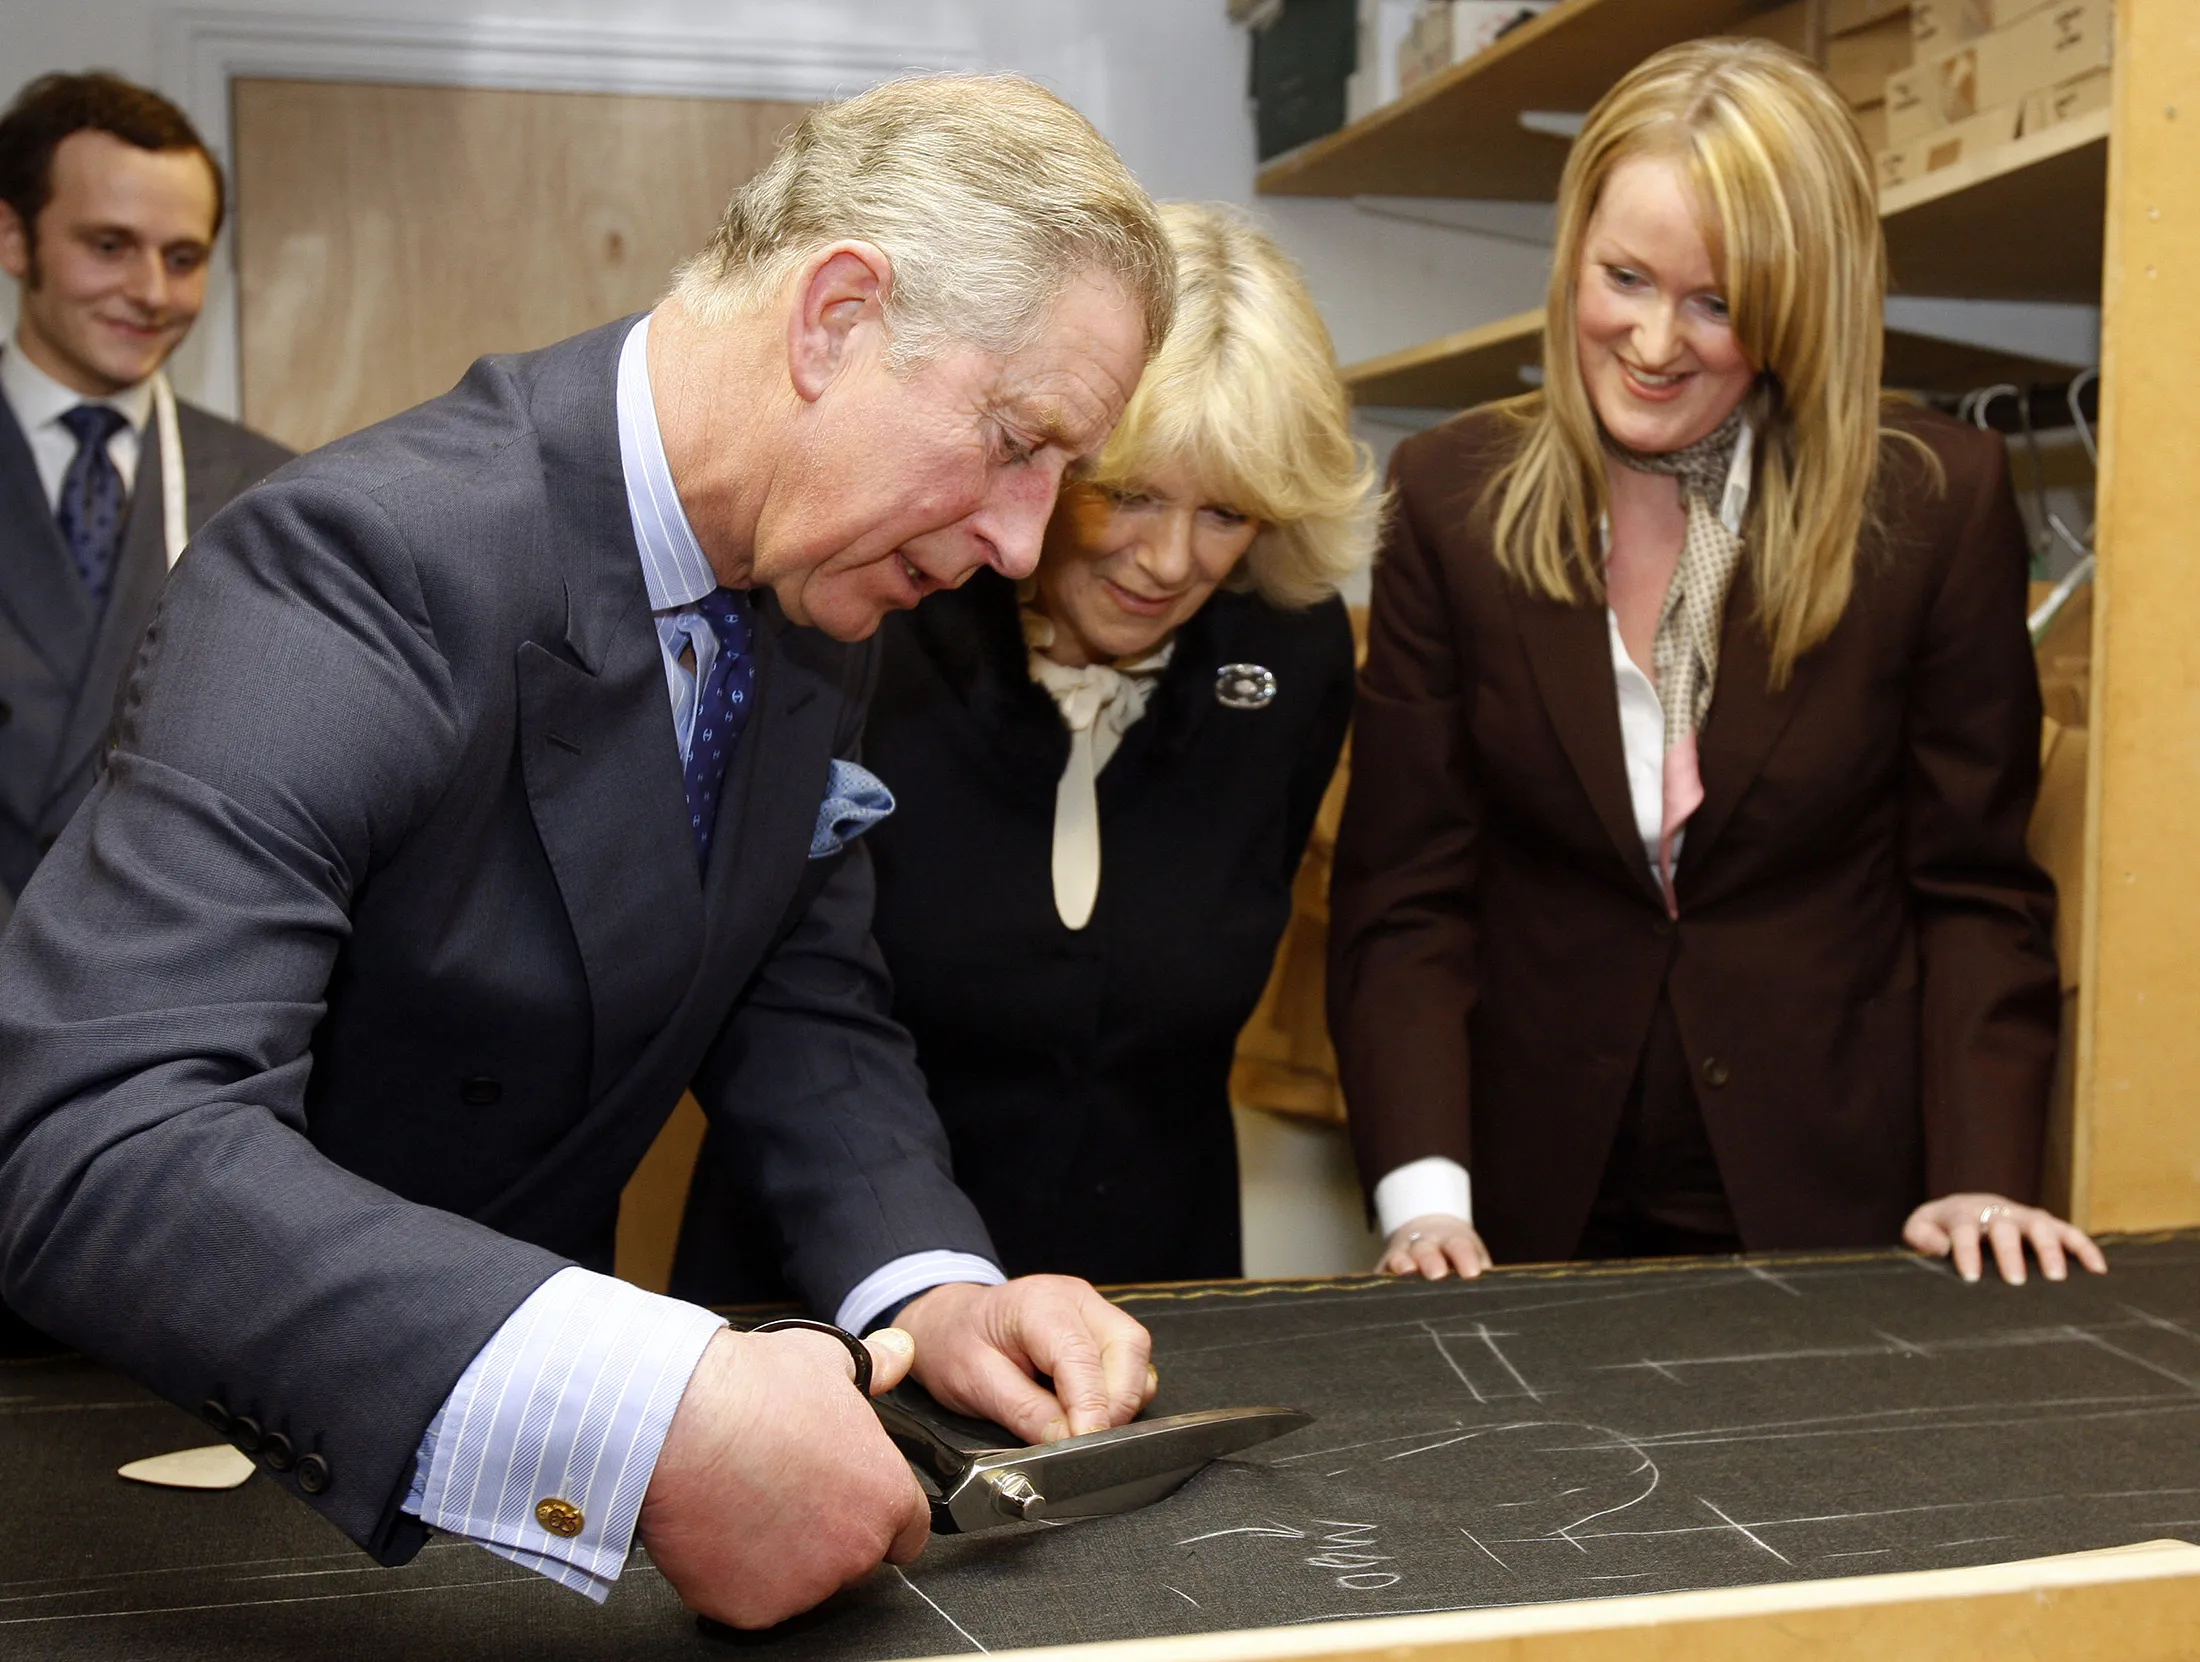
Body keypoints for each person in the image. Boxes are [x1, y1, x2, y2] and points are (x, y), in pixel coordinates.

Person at [0, 74, 1178, 1631]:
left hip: (531, 1532)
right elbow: (98, 1130)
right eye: (1017, 442)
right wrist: (648, 1408)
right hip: (192, 1460)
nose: (1024, 543)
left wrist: (928, 1283)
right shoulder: (359, 561)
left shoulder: (824, 580)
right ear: (836, 318)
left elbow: (793, 991)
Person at [1327, 40, 2106, 1292]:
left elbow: (1973, 891)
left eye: (1716, 303)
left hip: (1836, 1196)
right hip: (1517, 1204)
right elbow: (1406, 895)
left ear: (1802, 307)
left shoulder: (1931, 506)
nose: (1649, 342)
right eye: (1623, 278)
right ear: (1572, 253)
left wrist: (1981, 1174)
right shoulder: (1448, 497)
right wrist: (1422, 1201)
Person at [679, 203, 1372, 1293]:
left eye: (1227, 513)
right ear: (1041, 460)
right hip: (829, 1283)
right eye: (1128, 496)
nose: (1169, 562)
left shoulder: (1289, 652)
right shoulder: (872, 618)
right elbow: (766, 1002)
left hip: (1150, 1291)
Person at [0, 72, 290, 929]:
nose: (152, 293)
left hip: (150, 968)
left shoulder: (271, 492)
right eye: (109, 245)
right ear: (14, 239)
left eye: (182, 259)